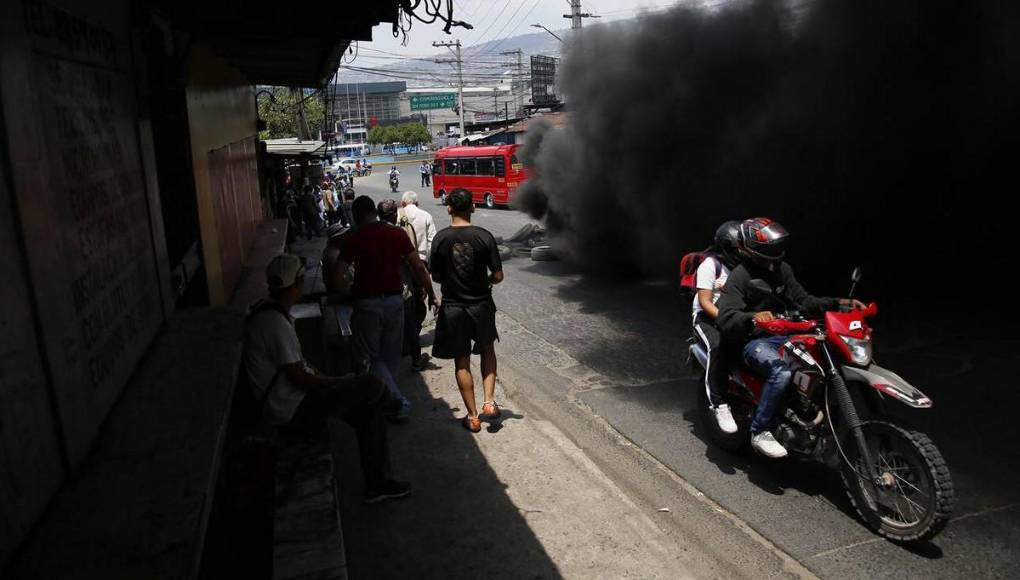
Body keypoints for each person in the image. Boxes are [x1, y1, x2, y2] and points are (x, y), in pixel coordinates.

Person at [243, 254, 410, 502]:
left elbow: (302, 370)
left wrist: (335, 381)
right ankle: (390, 405)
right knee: (370, 385)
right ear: (298, 283)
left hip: (293, 401)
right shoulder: (274, 324)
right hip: (291, 409)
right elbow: (300, 377)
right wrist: (338, 382)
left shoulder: (271, 315)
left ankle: (378, 483)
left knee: (369, 411)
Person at [717, 217, 866, 458]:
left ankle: (809, 413)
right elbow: (726, 317)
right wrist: (754, 317)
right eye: (770, 248)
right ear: (752, 249)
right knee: (781, 372)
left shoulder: (782, 269)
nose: (777, 252)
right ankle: (760, 430)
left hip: (787, 334)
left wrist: (840, 303)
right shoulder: (740, 275)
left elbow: (805, 301)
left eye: (778, 245)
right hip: (755, 341)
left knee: (822, 363)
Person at [336, 196, 438, 420]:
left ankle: (396, 401)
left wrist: (345, 293)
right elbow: (418, 267)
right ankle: (389, 399)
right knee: (390, 355)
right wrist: (431, 294)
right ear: (374, 211)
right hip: (395, 301)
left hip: (367, 304)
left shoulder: (355, 237)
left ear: (356, 215)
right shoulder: (396, 234)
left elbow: (338, 272)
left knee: (372, 356)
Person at [429, 189, 504, 433]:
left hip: (453, 308)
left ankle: (472, 417)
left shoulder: (440, 239)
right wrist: (488, 282)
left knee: (461, 360)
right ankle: (489, 402)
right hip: (481, 304)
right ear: (473, 207)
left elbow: (436, 275)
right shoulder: (484, 236)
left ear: (449, 208)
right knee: (487, 350)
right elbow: (498, 275)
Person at [692, 220, 742, 435]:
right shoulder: (711, 265)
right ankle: (719, 403)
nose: (740, 251)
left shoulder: (744, 268)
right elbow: (705, 301)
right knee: (717, 347)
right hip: (707, 318)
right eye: (736, 248)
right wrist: (727, 319)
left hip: (736, 317)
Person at [378, 199, 431, 372]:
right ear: (394, 215)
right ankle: (416, 359)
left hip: (378, 291)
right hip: (401, 288)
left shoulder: (370, 233)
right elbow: (415, 264)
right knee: (410, 323)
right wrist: (427, 290)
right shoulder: (398, 234)